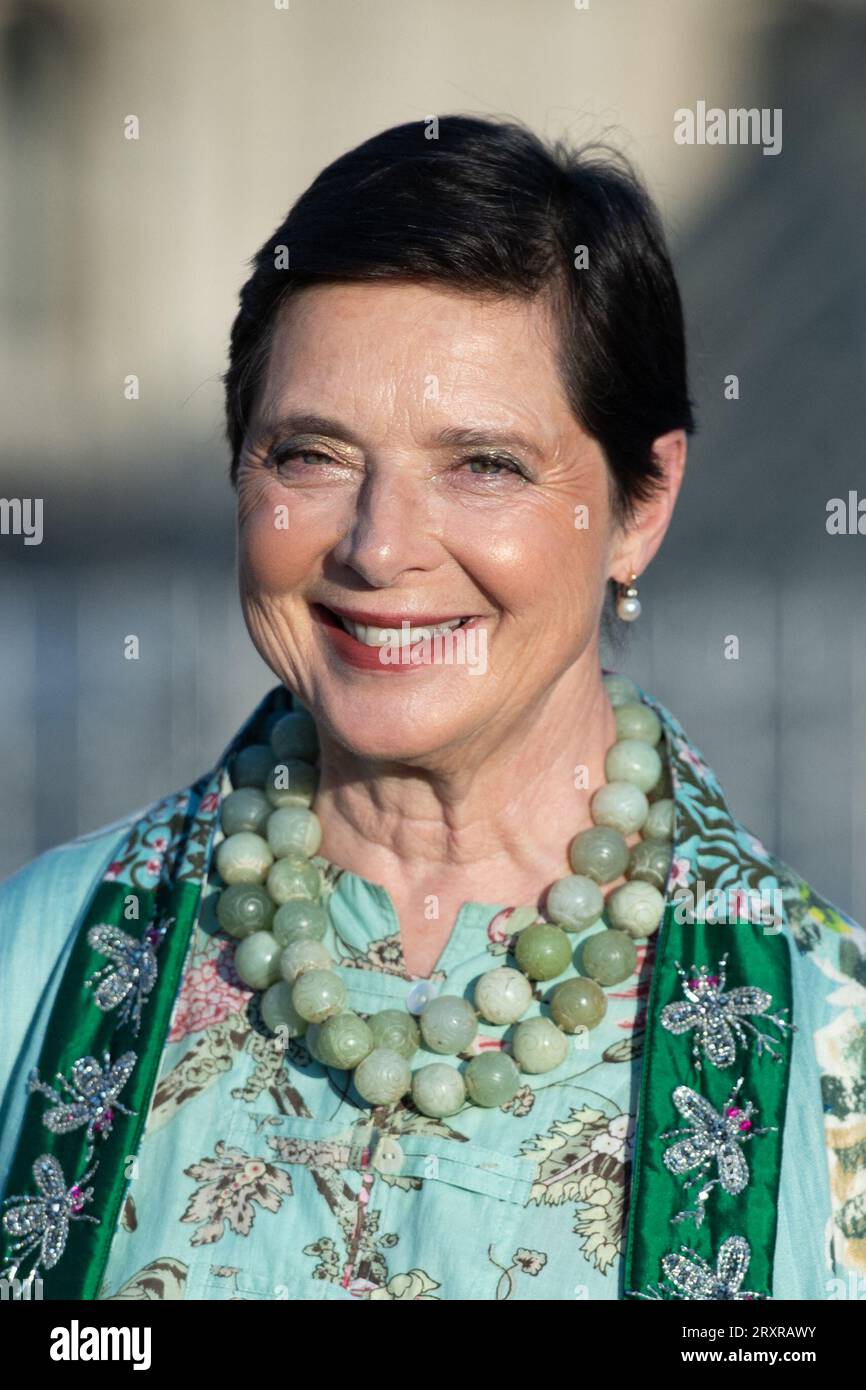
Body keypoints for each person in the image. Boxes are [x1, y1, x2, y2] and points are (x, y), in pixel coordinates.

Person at [1, 116, 863, 1302]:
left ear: (639, 505)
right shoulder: (36, 959)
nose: (380, 547)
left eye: (484, 465)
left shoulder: (830, 1040)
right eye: (309, 455)